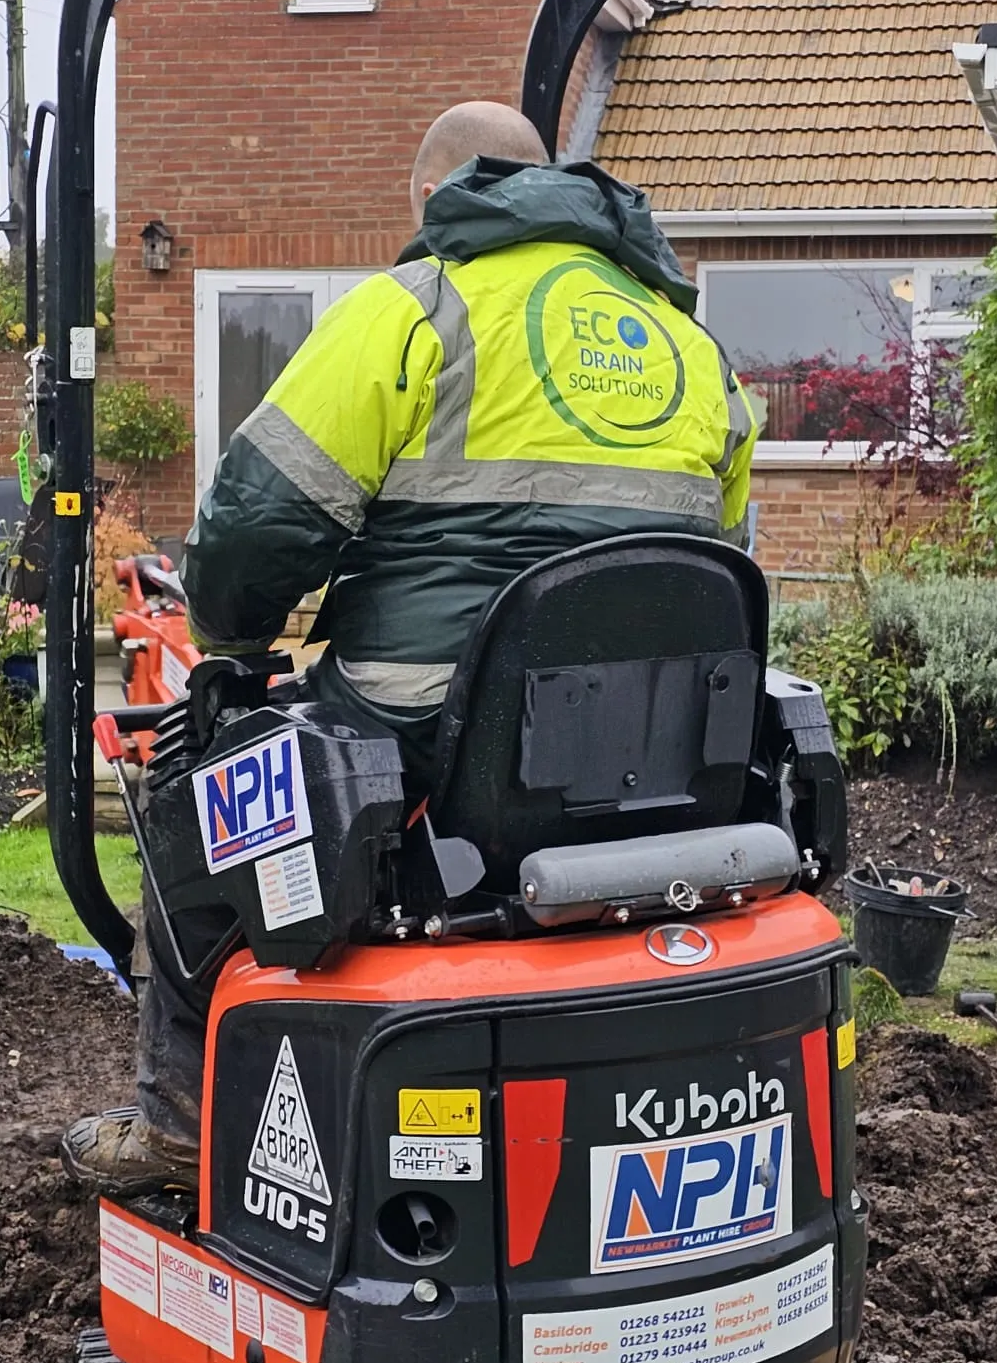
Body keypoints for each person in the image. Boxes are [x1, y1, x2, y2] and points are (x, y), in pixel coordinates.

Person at [61, 100, 757, 1194]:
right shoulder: (692, 348)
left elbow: (257, 522)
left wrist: (230, 645)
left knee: (189, 806)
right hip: (653, 759)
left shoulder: (418, 307)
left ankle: (182, 1122)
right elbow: (717, 563)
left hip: (427, 736)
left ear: (436, 197)